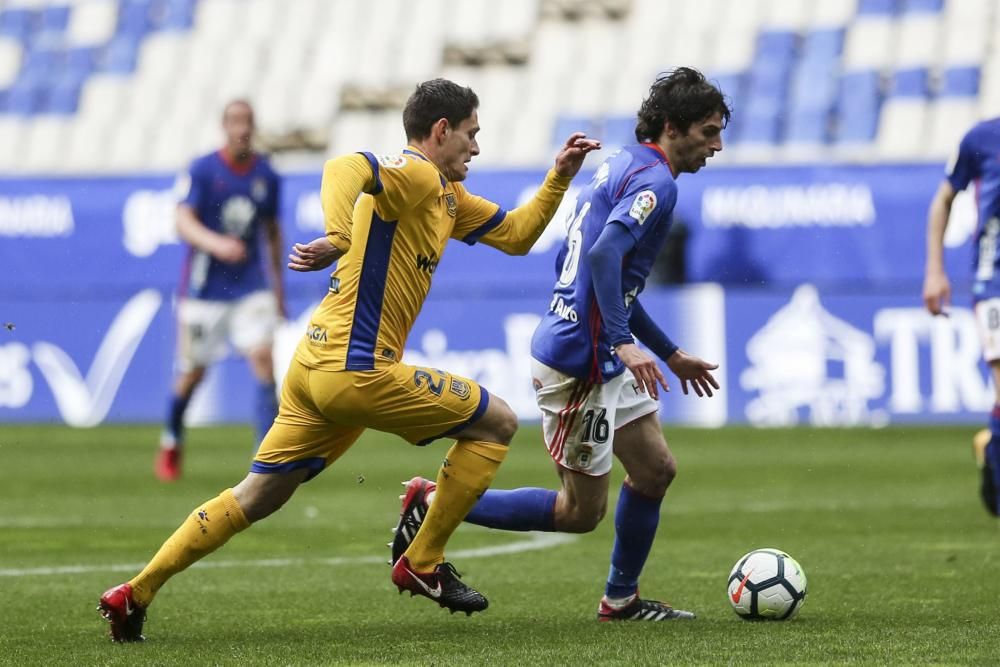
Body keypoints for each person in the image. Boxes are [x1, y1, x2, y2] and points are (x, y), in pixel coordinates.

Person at [97, 78, 600, 642]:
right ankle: (424, 559)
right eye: (470, 135)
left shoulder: (448, 197)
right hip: (355, 367)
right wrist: (339, 236)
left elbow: (516, 235)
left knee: (255, 494)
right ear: (440, 132)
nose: (476, 149)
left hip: (314, 364)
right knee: (497, 423)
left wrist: (559, 175)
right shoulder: (414, 173)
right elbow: (341, 168)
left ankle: (134, 592)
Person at [390, 67, 729, 621]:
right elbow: (601, 259)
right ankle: (432, 501)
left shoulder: (622, 163)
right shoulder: (656, 183)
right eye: (708, 131)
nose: (716, 145)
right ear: (673, 126)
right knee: (578, 513)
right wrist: (622, 343)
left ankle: (621, 600)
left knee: (655, 471)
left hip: (596, 348)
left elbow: (610, 278)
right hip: (581, 362)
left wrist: (666, 351)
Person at [156, 99, 286, 481]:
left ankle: (267, 454)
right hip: (205, 290)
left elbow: (273, 233)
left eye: (247, 121)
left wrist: (278, 287)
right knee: (193, 373)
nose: (241, 128)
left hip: (251, 285)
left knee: (263, 358)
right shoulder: (203, 169)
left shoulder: (266, 175)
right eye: (234, 121)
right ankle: (171, 439)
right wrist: (217, 244)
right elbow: (182, 220)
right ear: (223, 126)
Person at [923, 114, 1000, 517]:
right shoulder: (982, 138)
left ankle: (991, 447)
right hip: (996, 281)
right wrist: (936, 271)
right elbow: (943, 200)